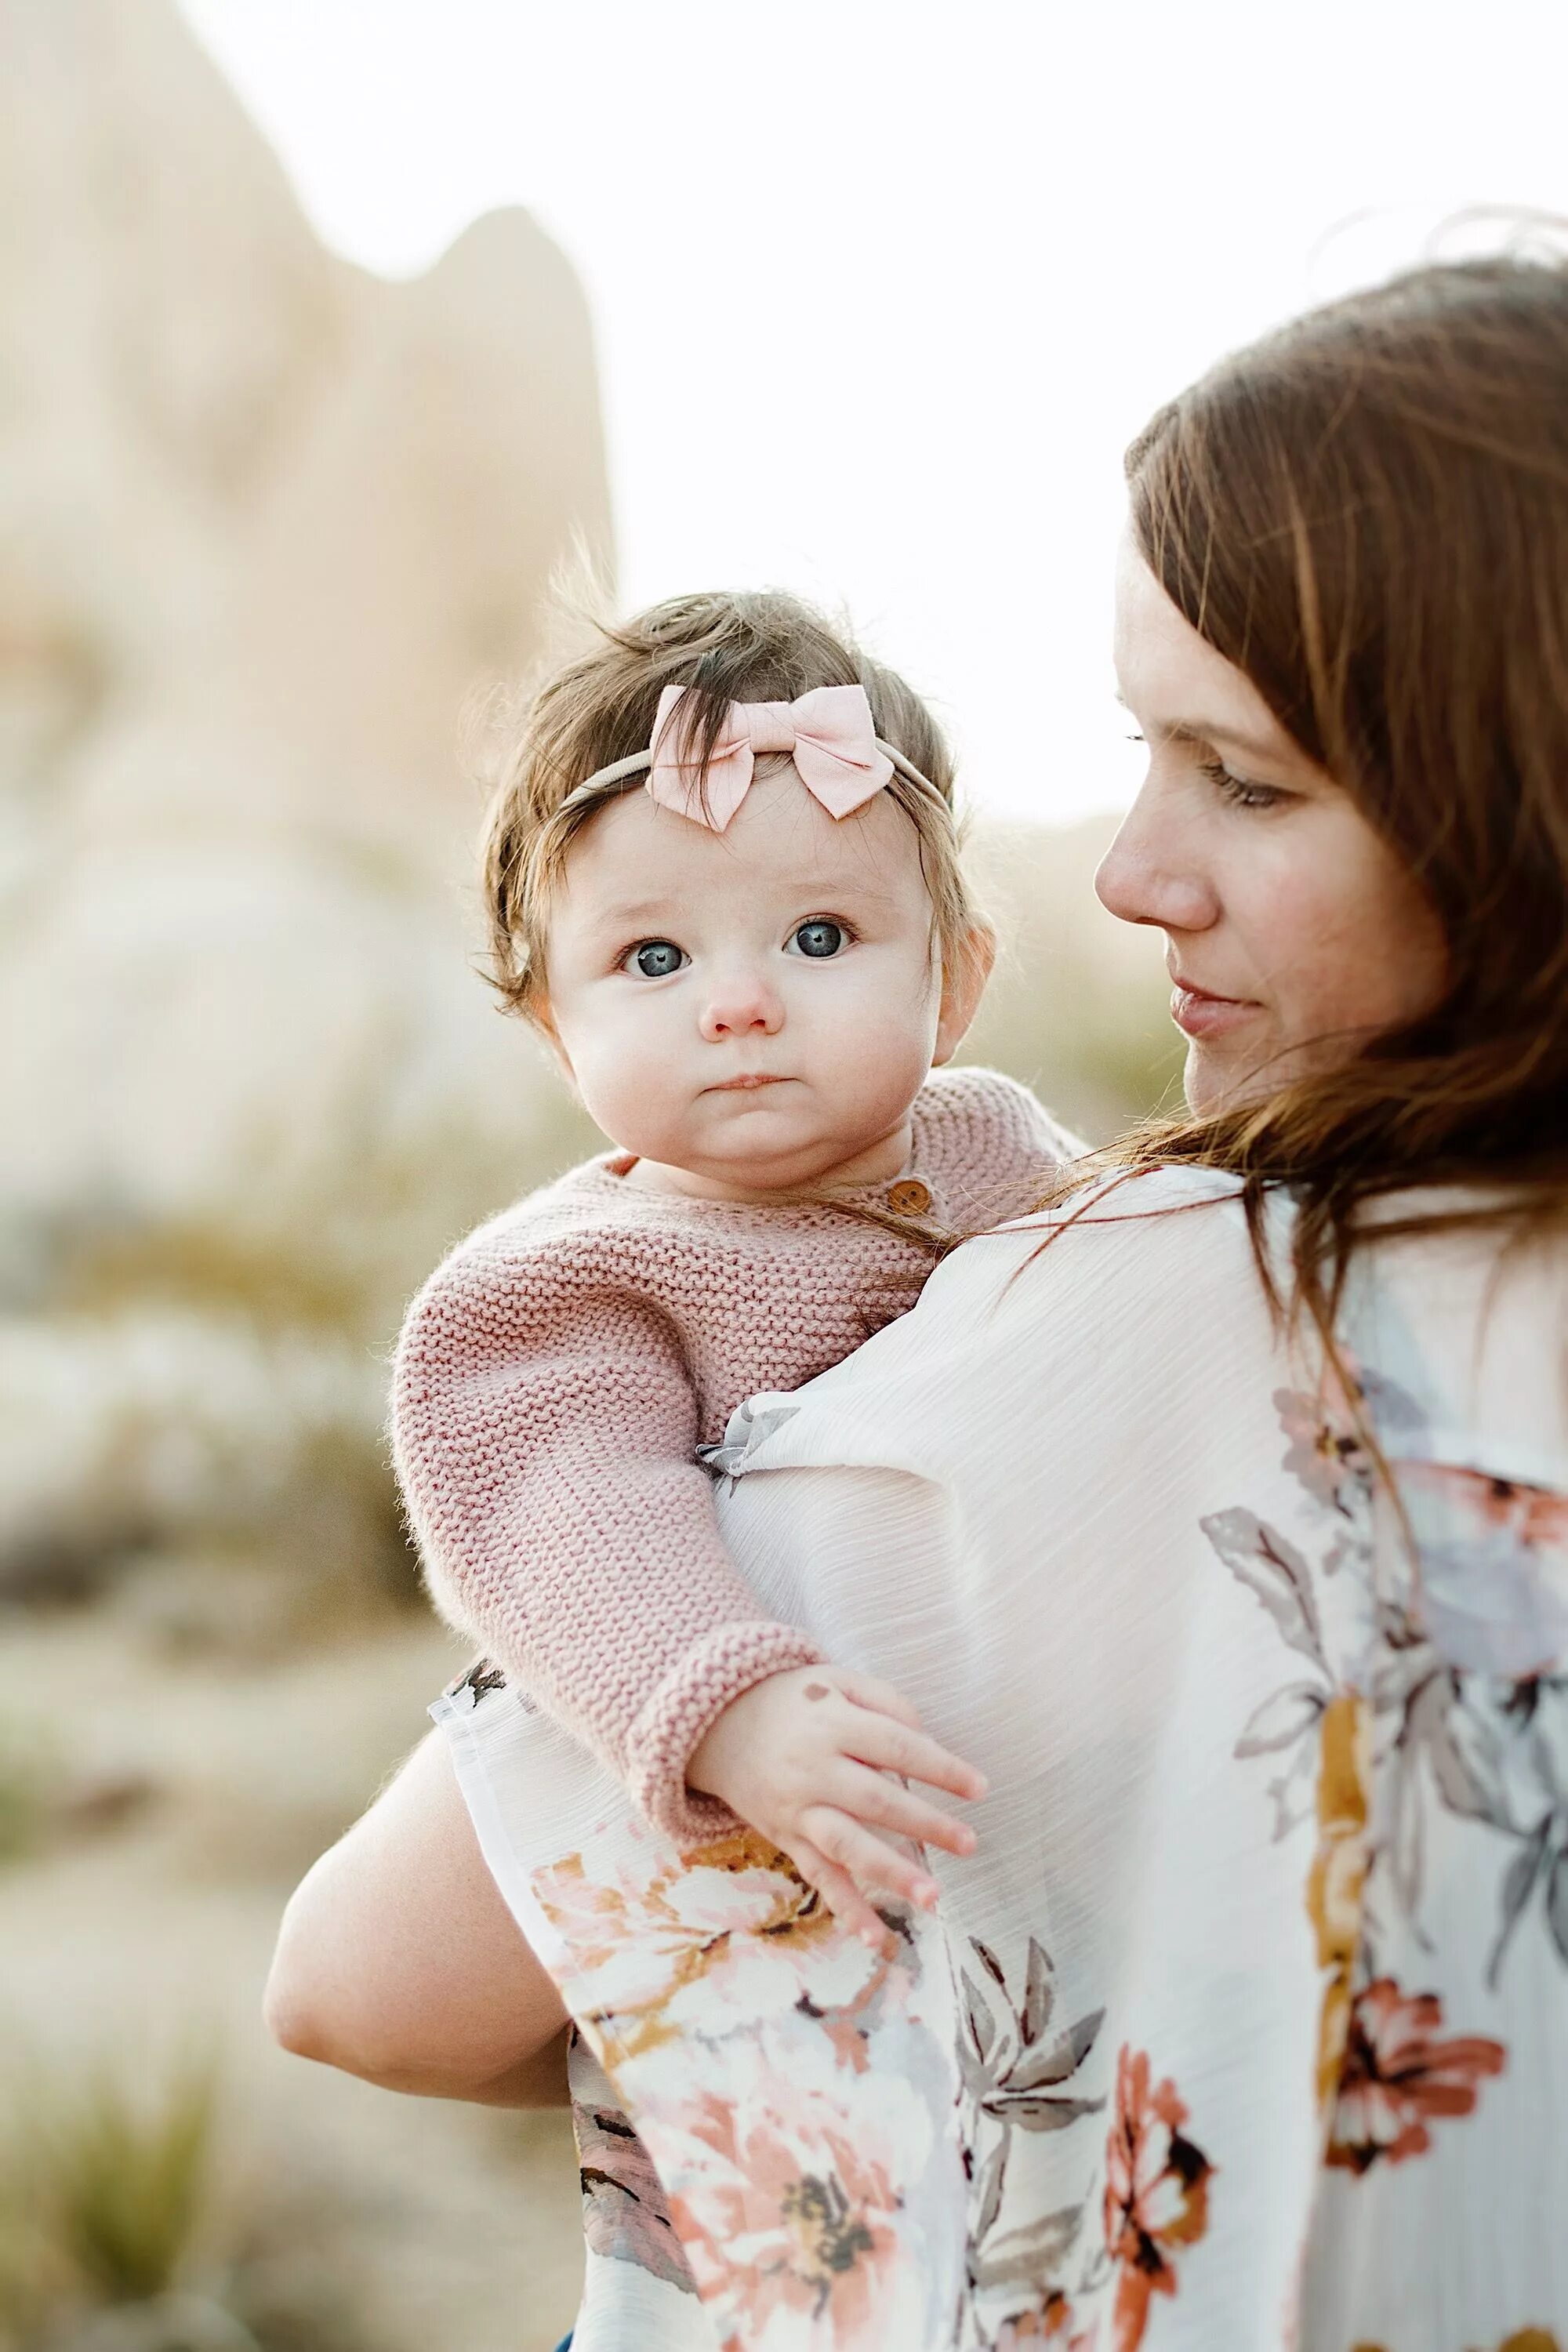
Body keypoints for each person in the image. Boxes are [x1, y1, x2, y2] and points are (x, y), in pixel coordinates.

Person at [269, 256, 1568, 2351]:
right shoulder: (585, 1291)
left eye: (1241, 777)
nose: (1135, 873)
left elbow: (362, 1983)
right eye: (1143, 758)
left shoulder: (1158, 1326)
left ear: (1515, 796)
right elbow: (552, 1489)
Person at [390, 590, 1078, 1945]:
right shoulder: (563, 1286)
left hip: (1023, 1775)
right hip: (765, 1840)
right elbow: (565, 1516)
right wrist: (729, 1703)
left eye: (819, 937)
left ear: (956, 983)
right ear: (555, 1028)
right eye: (653, 957)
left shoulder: (1004, 1148)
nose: (740, 1001)